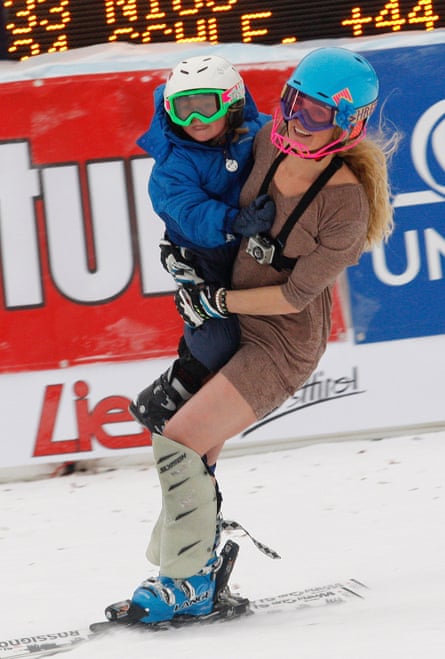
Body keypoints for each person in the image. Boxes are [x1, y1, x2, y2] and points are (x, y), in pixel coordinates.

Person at [124, 47, 397, 625]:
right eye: (293, 103)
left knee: (178, 440)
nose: (298, 121)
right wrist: (185, 254)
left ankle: (187, 580)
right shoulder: (268, 139)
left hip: (280, 343)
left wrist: (216, 298)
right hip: (229, 321)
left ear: (351, 123)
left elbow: (295, 297)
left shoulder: (347, 203)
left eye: (318, 114)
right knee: (192, 452)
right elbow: (197, 175)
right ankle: (197, 568)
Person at [130, 54, 273, 435]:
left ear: (231, 100)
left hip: (243, 240)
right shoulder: (172, 164)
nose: (194, 120)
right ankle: (164, 397)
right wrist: (233, 221)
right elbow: (186, 211)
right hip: (201, 250)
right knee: (220, 337)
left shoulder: (258, 131)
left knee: (262, 318)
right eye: (183, 109)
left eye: (205, 106)